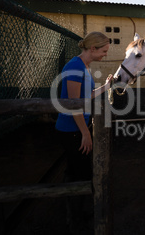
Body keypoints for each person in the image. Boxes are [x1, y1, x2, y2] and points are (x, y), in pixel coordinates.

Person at [55, 31, 113, 232]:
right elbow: (73, 105)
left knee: (78, 170)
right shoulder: (74, 66)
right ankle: (75, 219)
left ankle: (75, 213)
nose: (105, 55)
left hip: (78, 128)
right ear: (93, 48)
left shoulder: (84, 67)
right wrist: (86, 133)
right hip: (71, 130)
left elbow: (86, 96)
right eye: (103, 51)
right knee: (80, 173)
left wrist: (106, 86)